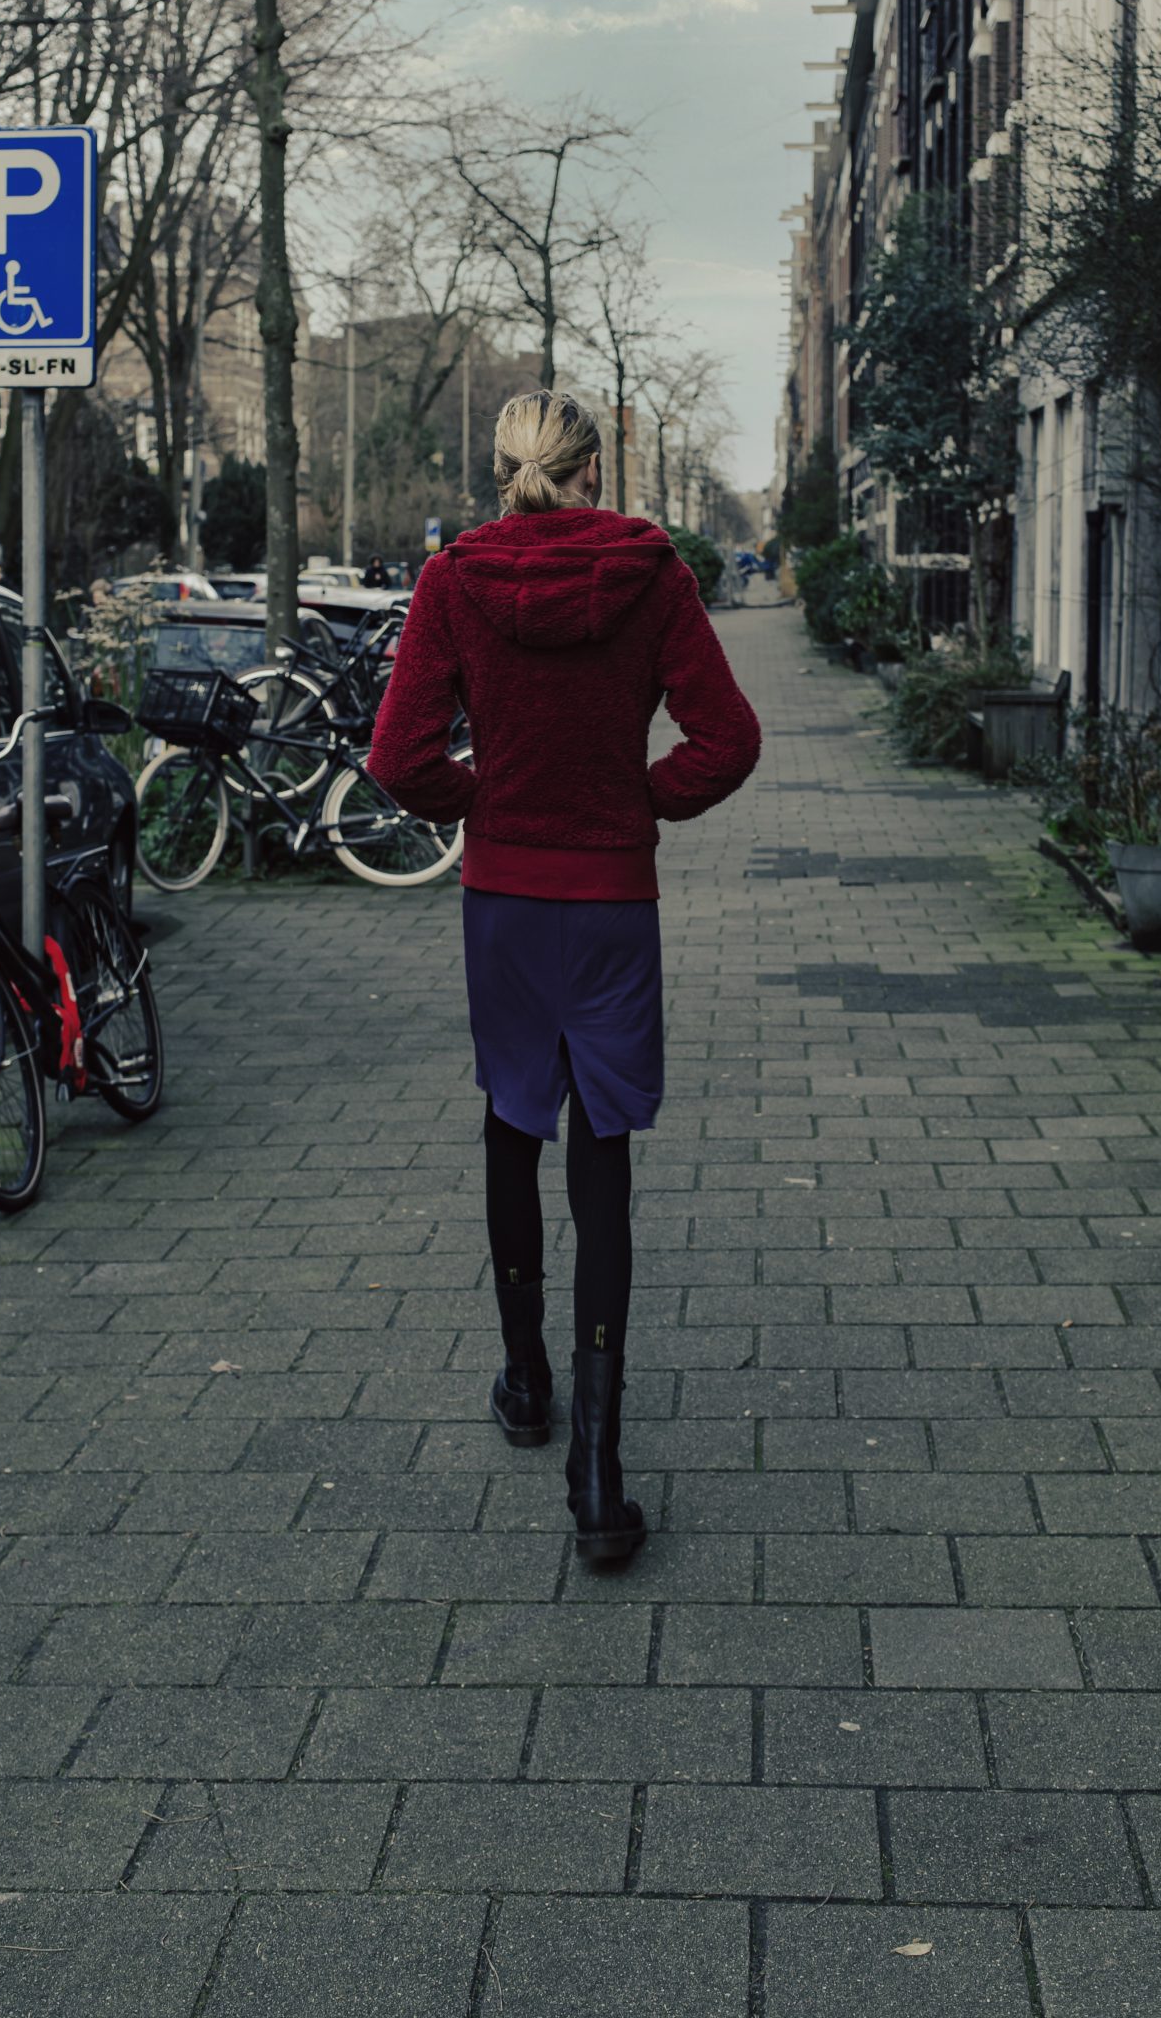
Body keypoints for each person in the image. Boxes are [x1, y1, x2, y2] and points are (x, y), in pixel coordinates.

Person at [368, 391, 760, 1563]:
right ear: (596, 469)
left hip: (504, 899)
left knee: (508, 1121)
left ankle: (525, 1380)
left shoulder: (453, 581)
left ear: (499, 470)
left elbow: (399, 756)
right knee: (603, 1155)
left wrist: (481, 804)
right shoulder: (653, 573)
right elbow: (727, 739)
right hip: (610, 902)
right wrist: (642, 801)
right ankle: (598, 1473)